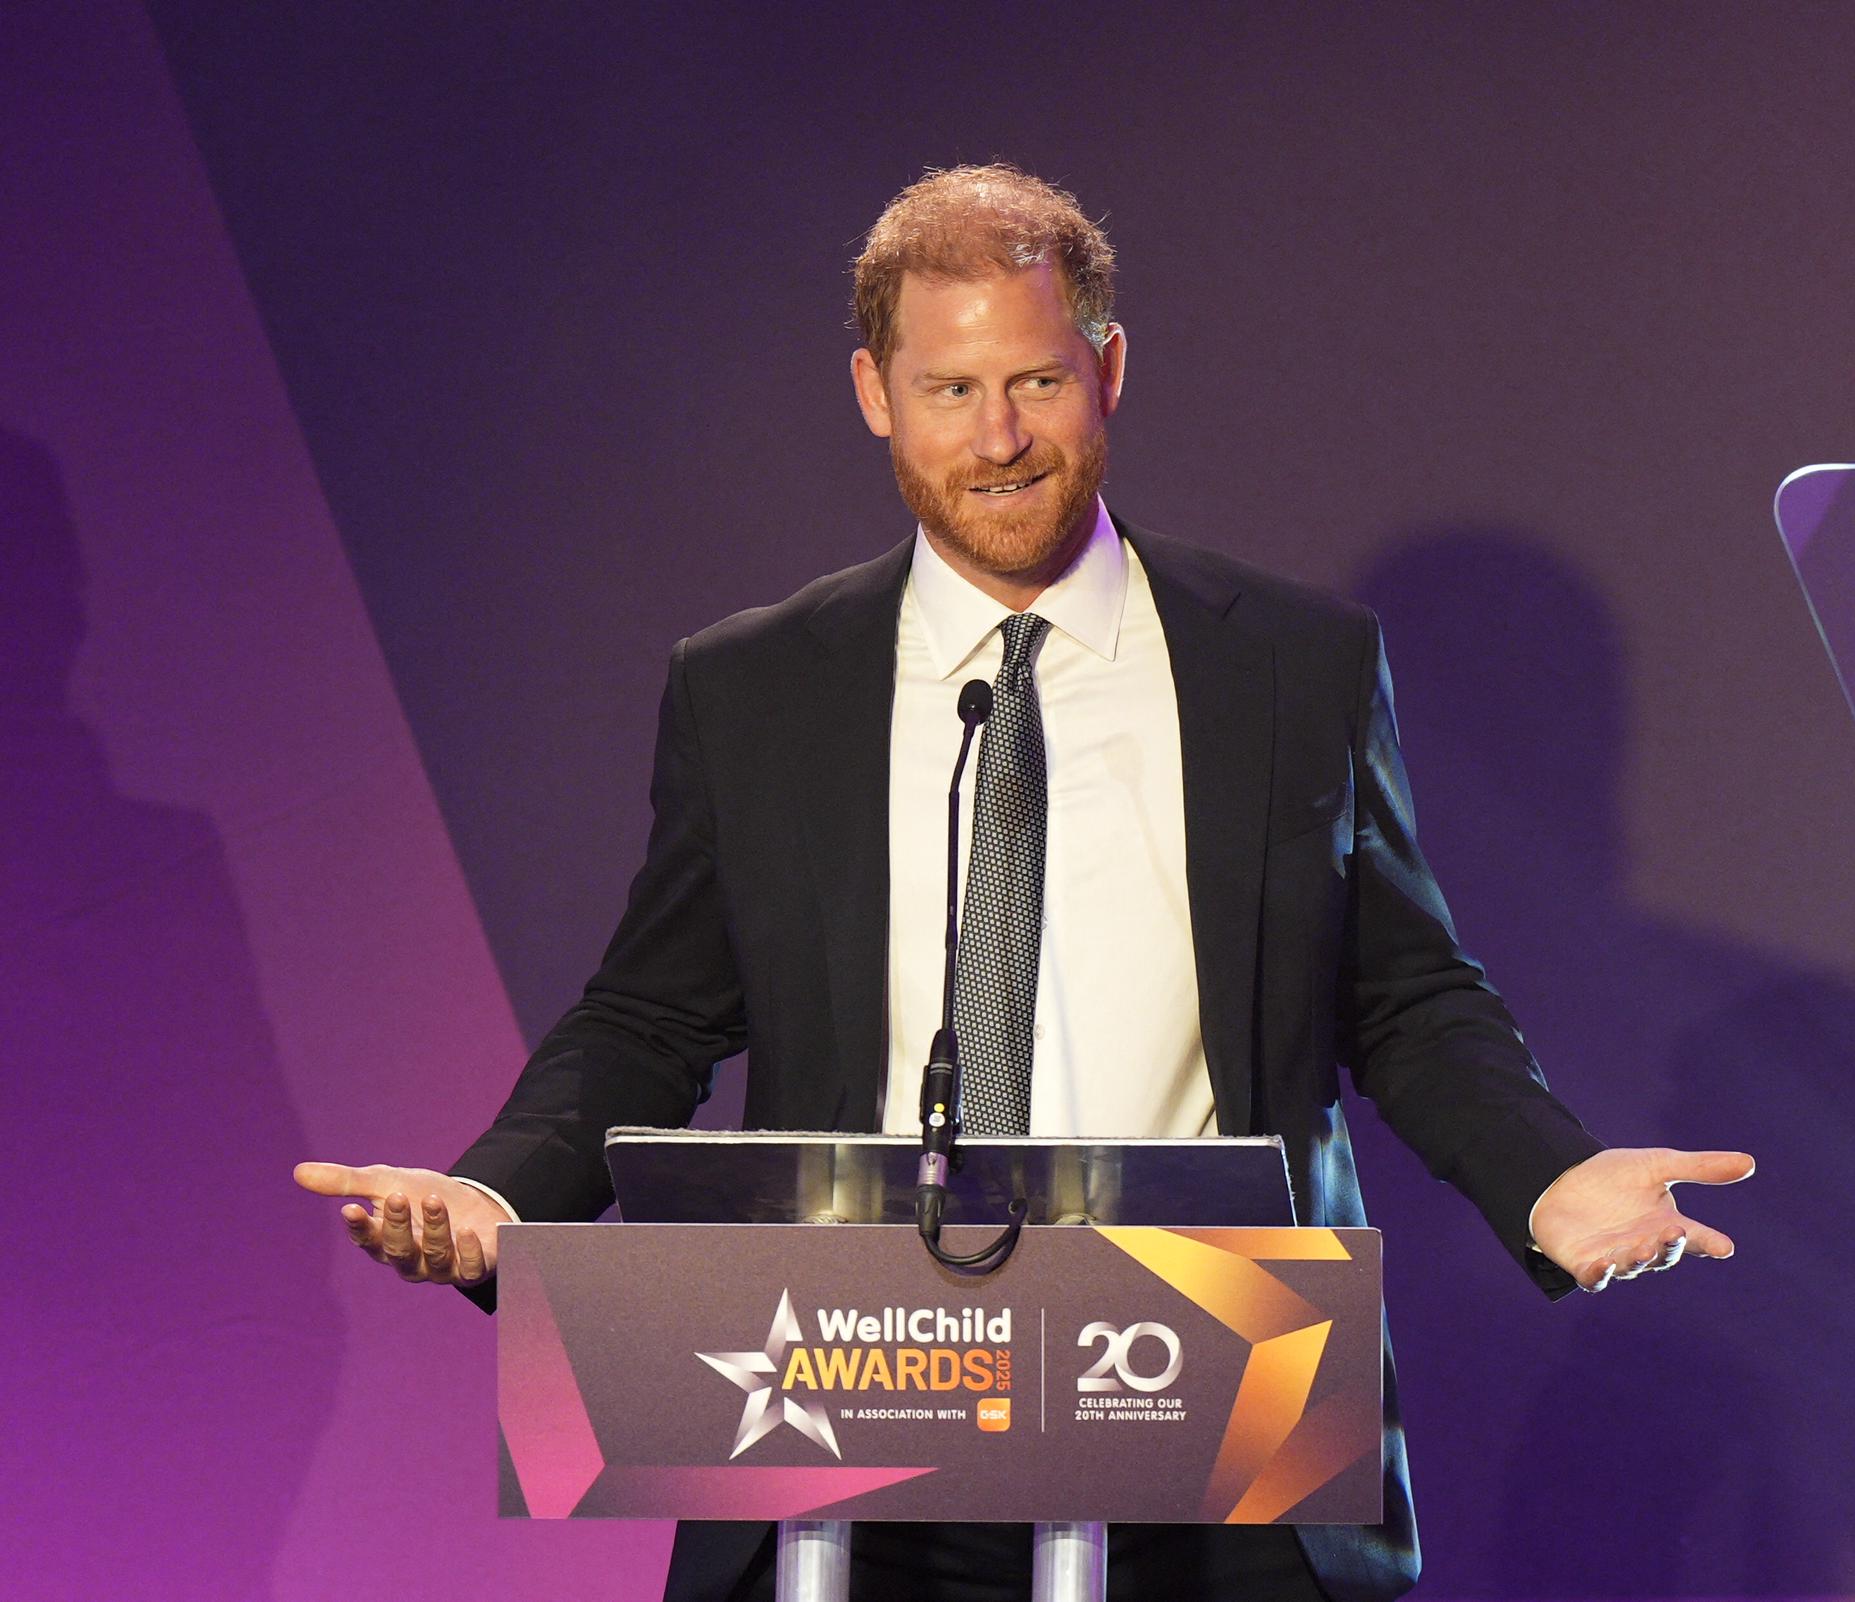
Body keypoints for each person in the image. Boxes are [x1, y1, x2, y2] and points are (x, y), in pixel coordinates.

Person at [296, 164, 1754, 1602]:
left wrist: (1545, 1174)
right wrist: (499, 1188)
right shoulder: (753, 689)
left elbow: (1408, 996)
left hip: (1220, 1402)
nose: (998, 439)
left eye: (1038, 384)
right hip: (851, 1424)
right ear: (875, 391)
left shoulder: (1291, 667)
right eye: (949, 391)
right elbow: (653, 1014)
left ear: (1108, 369)